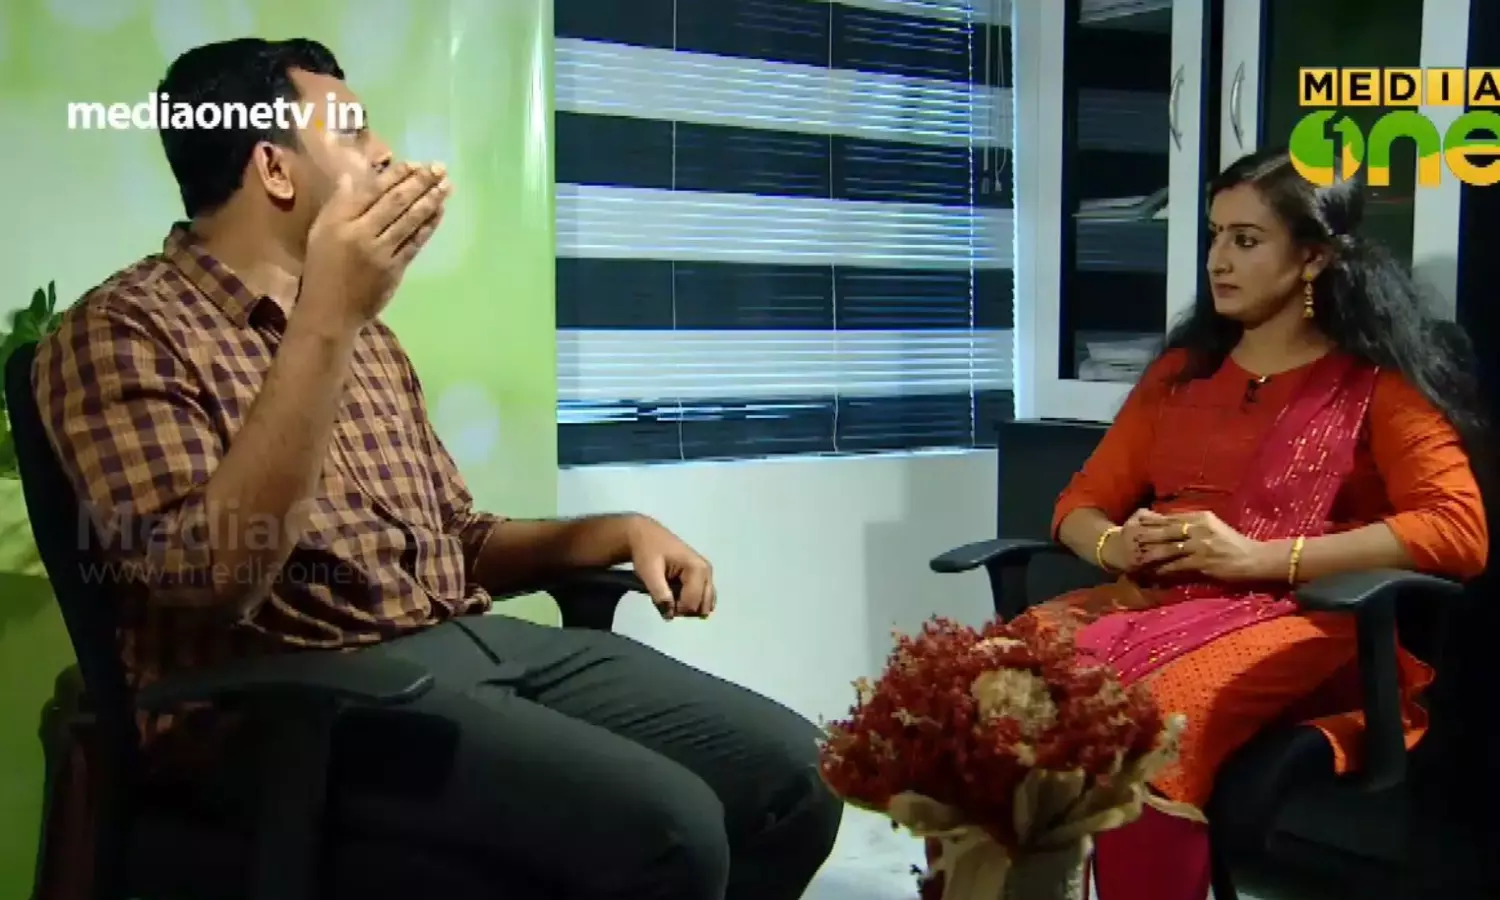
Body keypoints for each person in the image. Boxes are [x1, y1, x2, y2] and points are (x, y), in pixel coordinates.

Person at [32, 38, 841, 900]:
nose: (383, 152)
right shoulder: (121, 332)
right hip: (295, 705)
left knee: (800, 778)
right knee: (673, 834)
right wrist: (328, 320)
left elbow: (454, 541)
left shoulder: (367, 336)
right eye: (353, 129)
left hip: (465, 644)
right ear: (274, 167)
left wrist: (614, 531)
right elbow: (214, 576)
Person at [1038, 148, 1488, 900]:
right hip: (1153, 600)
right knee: (987, 678)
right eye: (1215, 235)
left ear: (1313, 258)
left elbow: (1457, 528)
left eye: (1246, 240)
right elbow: (1077, 505)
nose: (1218, 260)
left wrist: (1262, 557)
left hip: (1301, 621)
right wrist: (1114, 544)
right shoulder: (1181, 376)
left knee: (1150, 720)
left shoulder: (1376, 383)